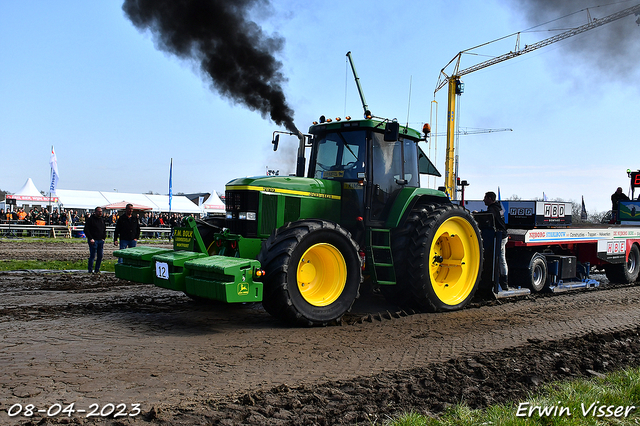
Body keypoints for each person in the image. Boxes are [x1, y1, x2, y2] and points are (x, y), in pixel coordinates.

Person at [483, 191, 509, 290]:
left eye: (485, 198)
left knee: (496, 258)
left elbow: (488, 215)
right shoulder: (498, 207)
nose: (483, 200)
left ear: (490, 198)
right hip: (503, 235)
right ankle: (504, 282)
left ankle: (498, 282)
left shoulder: (493, 209)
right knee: (501, 259)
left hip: (500, 237)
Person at [84, 206, 107, 274]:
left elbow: (104, 229)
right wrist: (90, 238)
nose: (100, 213)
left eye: (101, 212)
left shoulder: (102, 220)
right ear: (95, 212)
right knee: (92, 255)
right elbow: (86, 230)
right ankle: (90, 269)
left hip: (100, 240)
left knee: (100, 255)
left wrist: (103, 238)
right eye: (99, 212)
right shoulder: (90, 219)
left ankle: (97, 269)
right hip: (93, 240)